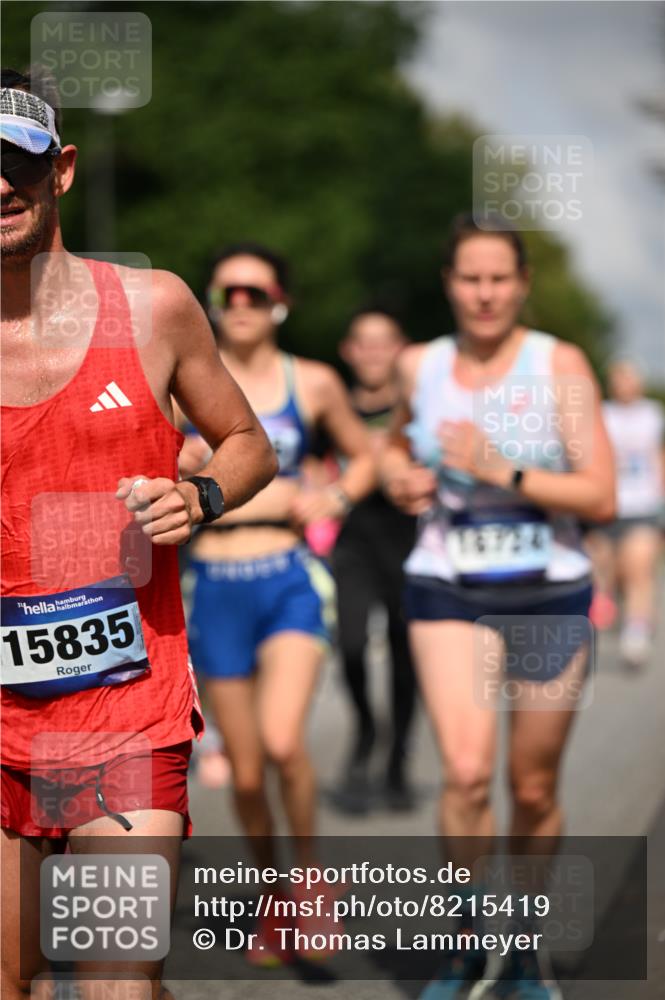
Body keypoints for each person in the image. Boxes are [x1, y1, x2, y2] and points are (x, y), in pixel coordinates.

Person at [0, 70, 277, 1000]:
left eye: (17, 163)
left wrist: (196, 498)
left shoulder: (153, 306)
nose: (1, 186)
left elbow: (248, 443)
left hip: (126, 708)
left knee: (115, 980)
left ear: (62, 171)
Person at [382, 213, 615, 999]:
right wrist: (397, 478)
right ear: (448, 283)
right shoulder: (421, 363)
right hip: (447, 584)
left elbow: (600, 494)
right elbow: (394, 447)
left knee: (532, 787)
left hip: (548, 587)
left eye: (498, 279)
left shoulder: (560, 366)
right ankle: (465, 942)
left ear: (521, 284)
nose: (483, 294)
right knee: (469, 772)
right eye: (468, 278)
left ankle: (521, 946)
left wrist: (500, 469)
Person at [180, 242, 375, 965]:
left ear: (280, 303)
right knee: (249, 767)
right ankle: (274, 897)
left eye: (254, 294)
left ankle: (311, 883)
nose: (239, 306)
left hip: (287, 577)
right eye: (226, 293)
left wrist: (337, 494)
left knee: (286, 741)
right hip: (216, 587)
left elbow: (368, 454)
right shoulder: (182, 386)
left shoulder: (313, 380)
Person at [331, 309, 418, 814]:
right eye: (364, 343)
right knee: (351, 646)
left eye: (384, 343)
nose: (374, 353)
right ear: (349, 351)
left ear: (400, 349)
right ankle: (366, 725)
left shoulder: (418, 407)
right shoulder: (335, 407)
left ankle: (398, 762)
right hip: (353, 546)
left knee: (408, 660)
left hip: (409, 544)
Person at [586, 359, 665, 666]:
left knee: (639, 568)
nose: (625, 384)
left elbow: (658, 454)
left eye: (629, 378)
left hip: (643, 505)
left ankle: (636, 633)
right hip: (607, 504)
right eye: (619, 378)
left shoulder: (653, 414)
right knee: (602, 568)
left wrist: (661, 495)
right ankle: (599, 615)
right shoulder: (602, 413)